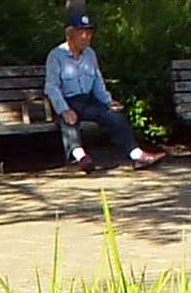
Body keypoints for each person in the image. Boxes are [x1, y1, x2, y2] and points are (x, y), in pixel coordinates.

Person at [45, 11, 164, 172]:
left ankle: (137, 156)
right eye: (81, 32)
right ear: (70, 34)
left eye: (89, 33)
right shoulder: (56, 55)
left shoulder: (90, 54)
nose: (86, 37)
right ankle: (80, 158)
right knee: (69, 119)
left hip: (87, 100)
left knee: (114, 116)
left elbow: (97, 82)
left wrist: (108, 101)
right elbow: (52, 87)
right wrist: (64, 108)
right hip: (67, 100)